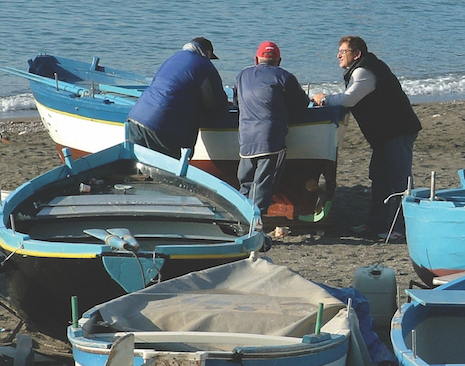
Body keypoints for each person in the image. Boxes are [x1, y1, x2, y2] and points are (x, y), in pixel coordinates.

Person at [312, 36, 421, 240]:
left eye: (343, 52)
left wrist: (323, 99)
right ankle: (375, 224)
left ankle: (403, 228)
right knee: (378, 177)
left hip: (397, 130)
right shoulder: (362, 69)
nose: (338, 55)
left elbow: (348, 99)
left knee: (399, 180)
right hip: (384, 133)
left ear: (357, 54)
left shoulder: (365, 71)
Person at [233, 41, 310, 214]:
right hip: (271, 139)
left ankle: (239, 218)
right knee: (264, 186)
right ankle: (255, 223)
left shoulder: (242, 76)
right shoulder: (284, 77)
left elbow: (237, 103)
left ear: (256, 59)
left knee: (246, 184)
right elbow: (301, 104)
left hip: (246, 140)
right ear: (279, 60)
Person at [126, 37, 228, 158]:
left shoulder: (172, 59)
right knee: (165, 173)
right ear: (207, 53)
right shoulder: (205, 65)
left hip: (135, 118)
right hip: (161, 127)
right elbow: (215, 102)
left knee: (135, 170)